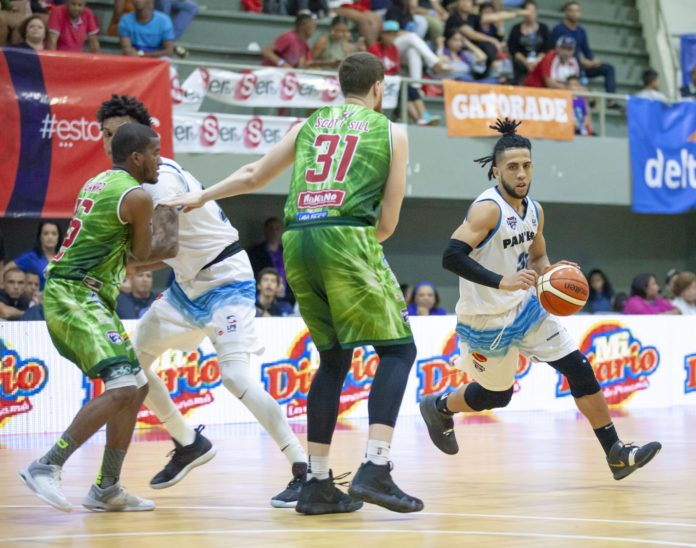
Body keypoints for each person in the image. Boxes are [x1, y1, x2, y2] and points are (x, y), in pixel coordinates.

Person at [163, 52, 424, 516]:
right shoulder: (391, 132)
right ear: (379, 87)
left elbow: (253, 174)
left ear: (340, 86)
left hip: (296, 241)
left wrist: (202, 195)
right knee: (399, 351)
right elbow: (387, 223)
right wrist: (352, 246)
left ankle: (318, 482)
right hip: (346, 236)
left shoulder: (308, 124)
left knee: (333, 360)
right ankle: (376, 465)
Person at [419, 118, 661, 482]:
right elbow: (451, 257)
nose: (521, 173)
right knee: (497, 396)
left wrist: (553, 275)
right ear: (496, 170)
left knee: (579, 367)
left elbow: (537, 257)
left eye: (527, 165)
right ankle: (439, 406)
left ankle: (616, 453)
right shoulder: (487, 209)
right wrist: (502, 281)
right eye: (512, 167)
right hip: (486, 321)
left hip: (525, 309)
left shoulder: (534, 210)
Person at [95, 94, 308, 507]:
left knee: (235, 377)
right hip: (187, 285)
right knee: (130, 365)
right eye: (104, 133)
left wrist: (110, 266)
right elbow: (164, 255)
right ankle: (188, 441)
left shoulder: (160, 180)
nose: (109, 141)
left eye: (117, 132)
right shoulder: (129, 183)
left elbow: (163, 249)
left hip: (225, 277)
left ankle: (303, 467)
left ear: (140, 138)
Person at [18, 123, 179, 513]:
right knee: (122, 387)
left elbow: (127, 259)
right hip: (74, 293)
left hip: (87, 294)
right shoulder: (137, 196)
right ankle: (47, 465)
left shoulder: (98, 182)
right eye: (155, 152)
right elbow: (143, 257)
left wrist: (170, 253)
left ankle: (107, 487)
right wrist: (173, 221)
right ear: (137, 157)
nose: (160, 161)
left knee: (137, 387)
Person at [368, 21, 440, 126]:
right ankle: (420, 118)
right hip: (378, 82)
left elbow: (396, 70)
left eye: (394, 34)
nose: (391, 37)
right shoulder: (374, 48)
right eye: (388, 34)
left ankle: (423, 117)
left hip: (392, 83)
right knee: (402, 90)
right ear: (382, 35)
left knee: (409, 89)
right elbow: (373, 70)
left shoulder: (394, 49)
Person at [551, 1, 617, 99]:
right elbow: (558, 51)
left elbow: (586, 50)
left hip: (582, 65)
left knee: (608, 68)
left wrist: (593, 60)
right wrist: (581, 61)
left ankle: (611, 101)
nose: (574, 13)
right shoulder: (559, 29)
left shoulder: (581, 31)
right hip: (567, 65)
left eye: (577, 11)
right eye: (571, 11)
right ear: (566, 12)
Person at [247, 218, 293, 304]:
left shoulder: (286, 252)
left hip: (287, 299)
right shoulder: (256, 252)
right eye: (271, 228)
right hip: (264, 299)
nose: (274, 232)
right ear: (265, 230)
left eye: (277, 229)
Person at [4, 221, 62, 290]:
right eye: (46, 233)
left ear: (58, 237)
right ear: (40, 237)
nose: (50, 237)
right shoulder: (31, 257)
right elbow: (5, 269)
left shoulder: (65, 257)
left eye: (54, 234)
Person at [506, 0, 551, 84]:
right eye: (528, 11)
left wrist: (536, 62)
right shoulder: (516, 28)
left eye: (533, 11)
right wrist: (526, 63)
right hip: (521, 64)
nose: (530, 14)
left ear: (536, 13)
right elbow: (513, 49)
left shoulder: (544, 28)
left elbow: (547, 48)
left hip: (539, 63)